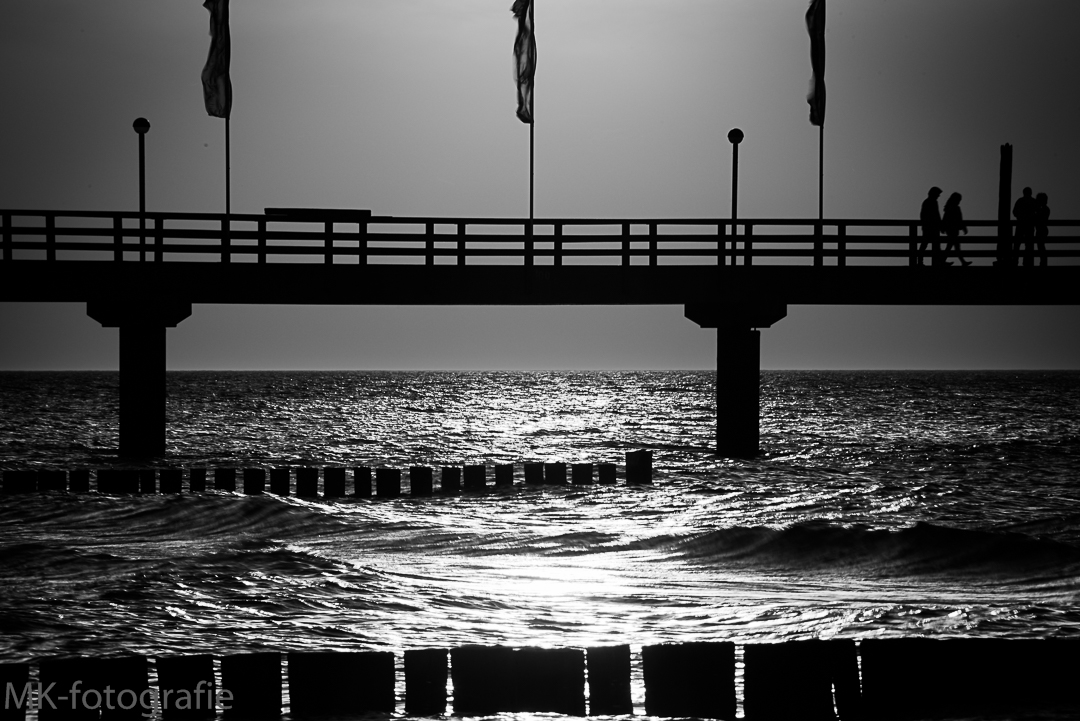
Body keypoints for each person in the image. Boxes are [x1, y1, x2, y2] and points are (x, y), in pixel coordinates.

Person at [942, 192, 971, 266]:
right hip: (953, 230)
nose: (959, 201)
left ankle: (943, 261)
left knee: (951, 246)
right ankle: (962, 262)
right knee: (954, 247)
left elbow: (945, 219)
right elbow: (959, 219)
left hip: (950, 230)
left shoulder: (948, 208)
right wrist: (963, 227)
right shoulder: (955, 208)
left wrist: (943, 227)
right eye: (959, 200)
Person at [919, 186, 943, 266]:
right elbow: (936, 215)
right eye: (938, 194)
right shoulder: (931, 202)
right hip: (931, 227)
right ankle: (937, 262)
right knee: (930, 245)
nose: (938, 196)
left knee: (929, 245)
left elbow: (923, 215)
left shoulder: (927, 202)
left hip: (929, 227)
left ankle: (921, 262)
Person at [1013, 187, 1037, 266]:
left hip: (1020, 224)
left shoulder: (1020, 201)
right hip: (1029, 226)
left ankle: (1015, 262)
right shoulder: (1033, 201)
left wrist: (1020, 217)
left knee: (1017, 244)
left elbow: (1014, 212)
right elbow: (1037, 213)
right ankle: (1027, 262)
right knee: (1028, 245)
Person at [1034, 192, 1050, 266]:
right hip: (1042, 229)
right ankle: (1043, 262)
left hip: (1041, 230)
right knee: (1041, 247)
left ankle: (1043, 263)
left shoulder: (1043, 209)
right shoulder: (1045, 209)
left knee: (1041, 247)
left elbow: (1039, 218)